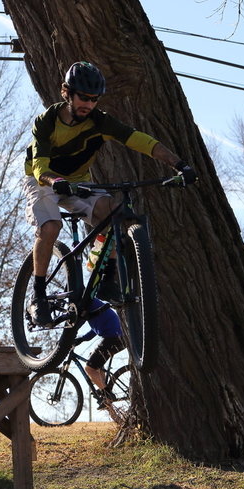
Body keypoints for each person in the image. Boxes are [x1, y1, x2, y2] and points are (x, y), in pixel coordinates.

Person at [23, 61, 196, 325]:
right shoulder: (47, 121)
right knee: (50, 227)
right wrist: (55, 181)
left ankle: (104, 275)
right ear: (66, 92)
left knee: (115, 214)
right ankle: (37, 295)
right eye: (83, 97)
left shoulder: (100, 122)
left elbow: (140, 140)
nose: (88, 104)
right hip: (43, 180)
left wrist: (179, 164)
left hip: (79, 181)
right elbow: (39, 166)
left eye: (94, 99)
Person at [75, 299, 125, 409]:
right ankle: (106, 396)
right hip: (118, 338)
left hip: (113, 338)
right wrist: (81, 339)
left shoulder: (88, 304)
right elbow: (95, 329)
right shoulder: (93, 305)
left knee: (89, 368)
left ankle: (107, 394)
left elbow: (76, 322)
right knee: (95, 363)